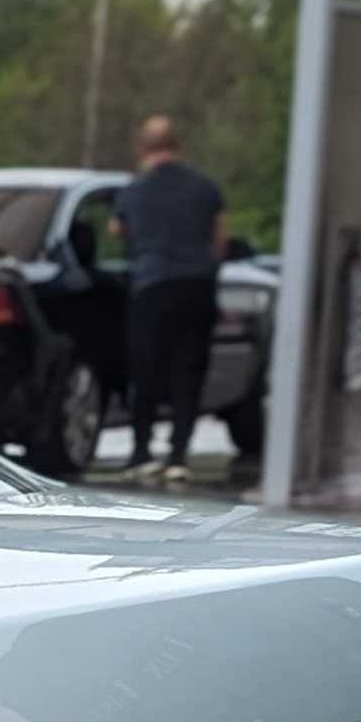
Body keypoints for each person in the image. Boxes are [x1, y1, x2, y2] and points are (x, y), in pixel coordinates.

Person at [116, 116, 227, 485]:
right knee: (188, 372)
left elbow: (119, 231)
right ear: (177, 146)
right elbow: (219, 242)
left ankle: (140, 451)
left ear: (141, 149)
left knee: (145, 371)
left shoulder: (132, 191)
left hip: (151, 288)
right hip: (196, 288)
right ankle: (179, 455)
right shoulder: (205, 188)